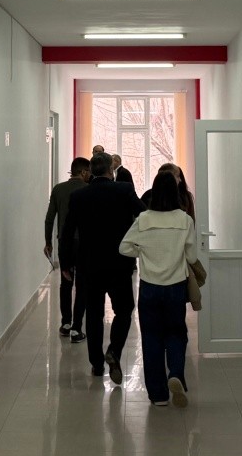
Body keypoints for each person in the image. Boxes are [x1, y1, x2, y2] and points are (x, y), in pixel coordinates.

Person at [62, 152, 143, 382]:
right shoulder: (124, 190)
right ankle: (114, 351)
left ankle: (97, 364)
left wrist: (65, 263)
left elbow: (67, 231)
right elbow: (144, 215)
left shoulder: (79, 196)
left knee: (94, 314)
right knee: (124, 310)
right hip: (119, 263)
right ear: (111, 170)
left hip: (89, 265)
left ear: (91, 172)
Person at [120, 171, 200, 407]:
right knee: (176, 333)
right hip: (175, 286)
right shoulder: (184, 220)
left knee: (151, 337)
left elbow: (124, 247)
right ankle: (175, 373)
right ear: (176, 193)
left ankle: (158, 395)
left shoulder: (144, 219)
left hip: (149, 287)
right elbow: (192, 256)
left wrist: (142, 252)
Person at [44, 157, 91, 340]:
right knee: (82, 284)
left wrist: (48, 242)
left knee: (66, 282)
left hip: (64, 243)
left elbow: (49, 218)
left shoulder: (58, 189)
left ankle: (65, 323)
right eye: (88, 172)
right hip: (83, 243)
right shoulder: (88, 189)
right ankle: (76, 328)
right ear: (83, 172)